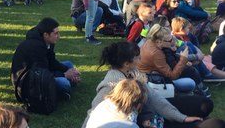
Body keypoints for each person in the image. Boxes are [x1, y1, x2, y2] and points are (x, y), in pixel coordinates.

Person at [82, 42, 212, 128]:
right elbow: (93, 114)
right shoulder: (110, 86)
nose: (141, 60)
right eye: (138, 57)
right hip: (138, 122)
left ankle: (175, 118)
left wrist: (181, 118)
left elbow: (154, 97)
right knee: (207, 124)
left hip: (148, 112)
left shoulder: (133, 72)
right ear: (127, 63)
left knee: (205, 104)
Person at [11, 18, 81, 100]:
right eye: (56, 33)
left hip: (41, 71)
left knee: (69, 65)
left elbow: (51, 62)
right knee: (65, 83)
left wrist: (68, 71)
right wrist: (65, 75)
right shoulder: (36, 47)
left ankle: (65, 84)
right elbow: (43, 73)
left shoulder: (48, 41)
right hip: (28, 81)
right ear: (46, 35)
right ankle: (58, 93)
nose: (58, 36)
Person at [137, 24, 197, 93]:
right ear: (159, 41)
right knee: (190, 82)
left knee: (189, 62)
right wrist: (183, 60)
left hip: (150, 75)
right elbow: (172, 76)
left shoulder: (150, 41)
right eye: (169, 40)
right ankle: (198, 90)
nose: (172, 41)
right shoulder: (156, 53)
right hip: (155, 81)